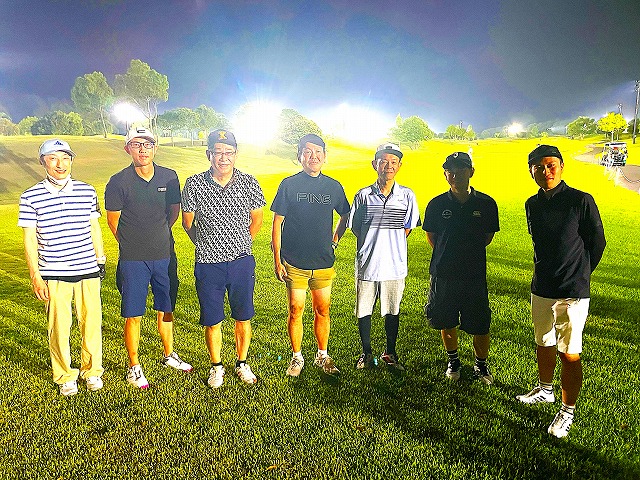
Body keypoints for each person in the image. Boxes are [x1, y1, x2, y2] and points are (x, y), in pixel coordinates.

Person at [517, 144, 606, 438]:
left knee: (569, 352)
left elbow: (597, 242)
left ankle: (567, 411)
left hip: (572, 289)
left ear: (561, 167)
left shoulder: (581, 200)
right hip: (542, 286)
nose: (546, 171)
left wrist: (580, 273)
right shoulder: (532, 203)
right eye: (539, 167)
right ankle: (545, 390)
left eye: (551, 165)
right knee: (543, 342)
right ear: (531, 171)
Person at [105, 126, 192, 389]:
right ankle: (134, 366)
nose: (143, 150)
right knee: (134, 313)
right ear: (127, 149)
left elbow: (173, 212)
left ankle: (169, 354)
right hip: (133, 259)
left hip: (164, 254)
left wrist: (158, 235)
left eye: (148, 145)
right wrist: (133, 243)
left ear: (156, 148)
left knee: (166, 308)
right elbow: (113, 222)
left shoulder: (169, 177)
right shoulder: (118, 181)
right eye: (137, 145)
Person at [18, 139, 105, 396]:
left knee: (91, 323)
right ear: (42, 161)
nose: (60, 164)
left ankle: (92, 371)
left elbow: (94, 227)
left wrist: (100, 260)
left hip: (87, 268)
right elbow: (30, 239)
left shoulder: (87, 191)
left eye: (66, 158)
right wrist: (35, 275)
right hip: (53, 272)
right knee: (59, 327)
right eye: (53, 158)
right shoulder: (30, 196)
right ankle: (65, 375)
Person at [182, 129, 266, 388]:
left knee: (243, 315)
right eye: (218, 152)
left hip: (241, 260)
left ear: (236, 154)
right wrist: (207, 244)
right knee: (212, 318)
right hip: (208, 264)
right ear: (209, 154)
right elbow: (188, 223)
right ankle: (216, 366)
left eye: (229, 152)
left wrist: (241, 242)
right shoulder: (194, 183)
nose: (223, 158)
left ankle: (242, 363)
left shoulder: (249, 182)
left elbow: (257, 220)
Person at [271, 133, 350, 377]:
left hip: (323, 261)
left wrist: (334, 240)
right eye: (307, 152)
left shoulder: (333, 186)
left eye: (317, 152)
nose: (313, 156)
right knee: (296, 309)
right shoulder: (289, 185)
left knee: (322, 309)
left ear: (325, 157)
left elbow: (345, 215)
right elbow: (277, 223)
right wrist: (278, 260)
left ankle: (322, 356)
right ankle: (296, 357)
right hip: (294, 262)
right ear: (300, 156)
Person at [423, 152, 499, 384]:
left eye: (461, 170)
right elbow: (432, 237)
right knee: (446, 320)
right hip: (444, 273)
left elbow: (487, 237)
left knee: (480, 323)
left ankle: (481, 365)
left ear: (471, 172)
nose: (455, 175)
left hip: (474, 274)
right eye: (450, 171)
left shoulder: (486, 203)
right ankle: (453, 361)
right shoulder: (436, 204)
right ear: (445, 174)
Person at [348, 143, 420, 370]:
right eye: (383, 161)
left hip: (394, 265)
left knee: (392, 309)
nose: (388, 166)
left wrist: (389, 243)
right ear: (374, 164)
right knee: (364, 309)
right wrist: (374, 241)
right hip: (368, 263)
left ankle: (390, 352)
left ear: (399, 166)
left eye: (393, 162)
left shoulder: (407, 195)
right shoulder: (363, 195)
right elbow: (356, 227)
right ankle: (367, 353)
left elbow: (407, 227)